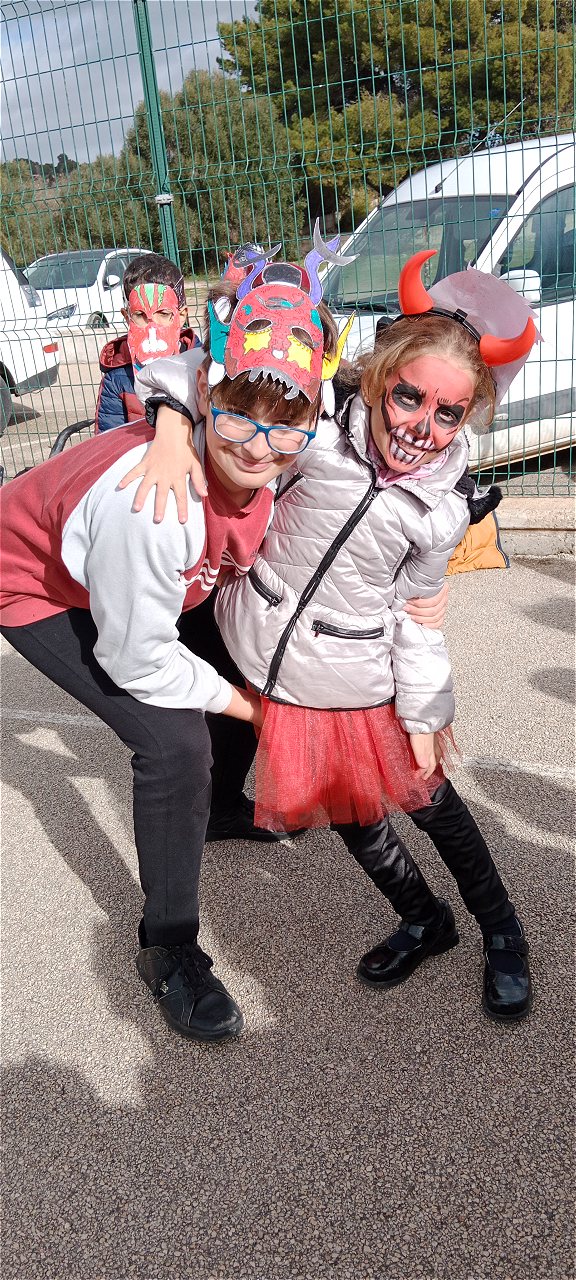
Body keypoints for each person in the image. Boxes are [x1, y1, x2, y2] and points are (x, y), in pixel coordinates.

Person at [135, 248, 537, 1024]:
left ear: (469, 416)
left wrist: (424, 715)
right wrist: (171, 427)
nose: (420, 427)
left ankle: (503, 932)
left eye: (448, 413)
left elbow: (418, 617)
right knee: (350, 811)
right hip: (270, 656)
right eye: (409, 396)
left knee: (430, 803)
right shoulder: (313, 429)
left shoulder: (441, 510)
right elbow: (202, 373)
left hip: (361, 675)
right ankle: (424, 919)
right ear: (380, 377)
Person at [0, 236, 356, 1044]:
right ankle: (167, 947)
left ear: (314, 415)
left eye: (286, 423)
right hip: (32, 579)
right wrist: (252, 711)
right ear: (205, 391)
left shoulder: (274, 430)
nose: (258, 443)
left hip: (131, 562)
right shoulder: (154, 508)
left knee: (236, 651)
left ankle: (222, 811)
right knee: (173, 745)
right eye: (236, 413)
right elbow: (138, 658)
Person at [94, 253, 201, 434]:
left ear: (181, 315)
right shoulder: (117, 379)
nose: (152, 329)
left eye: (164, 314)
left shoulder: (203, 368)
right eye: (140, 315)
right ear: (127, 317)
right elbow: (109, 440)